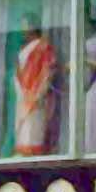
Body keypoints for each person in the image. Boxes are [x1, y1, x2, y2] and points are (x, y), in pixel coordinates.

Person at [13, 16, 57, 156]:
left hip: (36, 95)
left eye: (26, 26)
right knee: (23, 128)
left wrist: (40, 92)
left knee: (34, 128)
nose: (23, 30)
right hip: (23, 93)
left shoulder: (43, 46)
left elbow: (49, 70)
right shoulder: (24, 49)